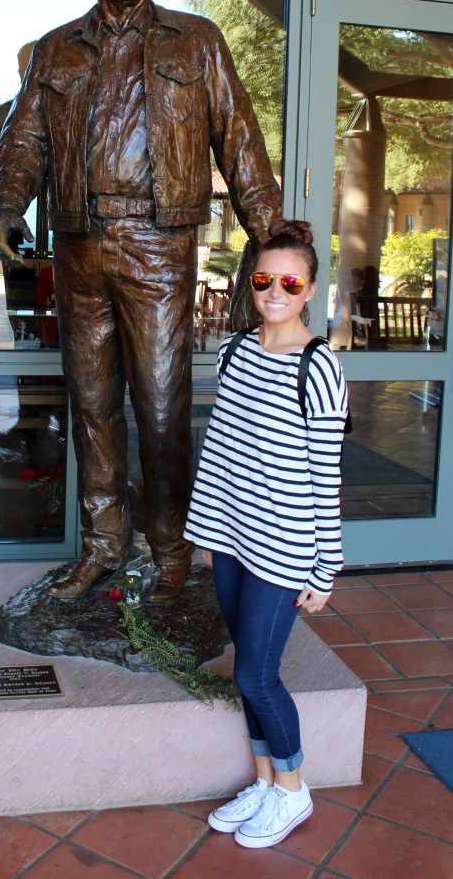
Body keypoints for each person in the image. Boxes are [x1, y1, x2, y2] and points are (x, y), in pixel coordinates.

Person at [0, 0, 282, 602]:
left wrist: (271, 233)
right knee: (92, 405)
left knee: (159, 407)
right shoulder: (56, 50)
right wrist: (8, 205)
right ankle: (102, 545)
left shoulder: (196, 41)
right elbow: (23, 139)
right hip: (80, 248)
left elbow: (238, 138)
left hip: (159, 246)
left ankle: (171, 550)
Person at [184, 218, 348, 849]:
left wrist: (324, 569)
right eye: (263, 278)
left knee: (256, 676)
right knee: (243, 670)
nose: (274, 291)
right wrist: (207, 533)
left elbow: (326, 476)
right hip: (231, 540)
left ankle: (292, 790)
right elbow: (222, 453)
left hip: (284, 550)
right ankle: (262, 780)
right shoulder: (233, 354)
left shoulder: (319, 367)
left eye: (289, 281)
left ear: (309, 290)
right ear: (249, 283)